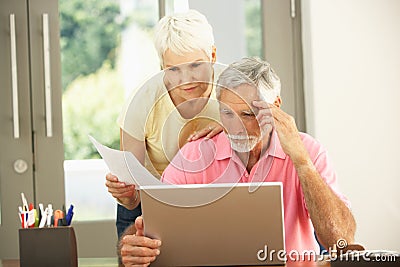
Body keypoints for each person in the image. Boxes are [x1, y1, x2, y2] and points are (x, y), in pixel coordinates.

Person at [118, 57, 356, 266]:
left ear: (275, 107)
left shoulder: (309, 151)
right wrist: (134, 245)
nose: (236, 128)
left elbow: (340, 240)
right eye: (227, 113)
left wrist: (302, 162)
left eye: (247, 115)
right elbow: (153, 227)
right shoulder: (195, 154)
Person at [105, 9, 223, 240]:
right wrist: (125, 193)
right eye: (174, 69)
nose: (186, 80)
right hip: (153, 199)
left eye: (196, 65)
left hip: (217, 196)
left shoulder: (234, 92)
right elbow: (132, 198)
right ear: (162, 67)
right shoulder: (142, 102)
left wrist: (233, 130)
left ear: (213, 55)